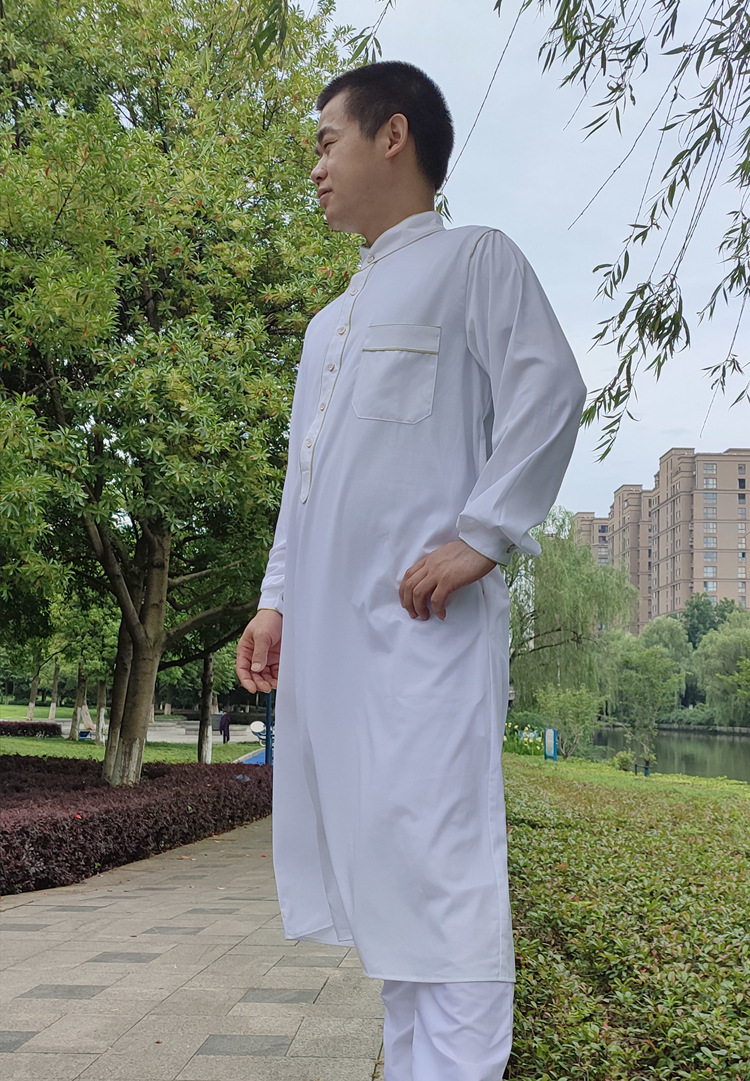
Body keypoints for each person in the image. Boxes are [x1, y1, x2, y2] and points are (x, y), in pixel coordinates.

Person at [236, 61, 586, 1081]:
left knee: (448, 889)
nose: (315, 167)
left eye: (326, 142)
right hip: (337, 651)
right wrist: (275, 601)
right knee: (389, 891)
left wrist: (485, 533)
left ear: (393, 136)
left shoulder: (475, 259)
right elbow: (304, 483)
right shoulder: (326, 327)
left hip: (427, 642)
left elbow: (551, 387)